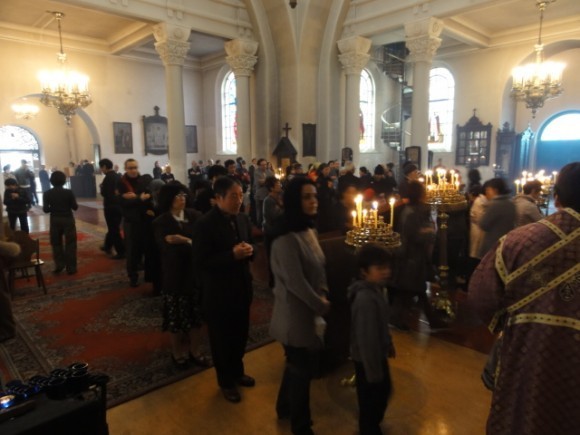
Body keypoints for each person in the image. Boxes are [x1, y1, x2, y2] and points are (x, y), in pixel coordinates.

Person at [468, 162, 580, 434]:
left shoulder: (520, 241)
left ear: (557, 198)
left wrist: (514, 319)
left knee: (525, 414)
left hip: (530, 355)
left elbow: (481, 296)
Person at [269, 177, 330, 435]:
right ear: (294, 201)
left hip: (309, 310)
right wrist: (320, 304)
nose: (313, 201)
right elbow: (296, 283)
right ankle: (301, 427)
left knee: (296, 365)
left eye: (314, 196)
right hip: (293, 315)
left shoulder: (308, 230)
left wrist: (323, 291)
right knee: (302, 371)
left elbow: (319, 267)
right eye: (306, 197)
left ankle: (284, 406)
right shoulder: (284, 239)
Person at [192, 177, 256, 403]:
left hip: (242, 288)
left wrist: (250, 250)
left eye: (241, 195)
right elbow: (201, 261)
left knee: (240, 335)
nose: (239, 200)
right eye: (233, 196)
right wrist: (231, 255)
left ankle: (237, 372)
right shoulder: (204, 224)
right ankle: (226, 382)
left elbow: (251, 245)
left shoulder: (242, 218)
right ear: (218, 198)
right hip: (218, 293)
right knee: (221, 340)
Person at [153, 183, 209, 369]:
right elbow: (167, 249)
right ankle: (177, 353)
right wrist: (190, 243)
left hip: (195, 274)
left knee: (196, 317)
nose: (182, 199)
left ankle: (195, 351)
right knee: (175, 318)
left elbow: (203, 244)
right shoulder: (161, 222)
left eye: (183, 195)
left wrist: (184, 240)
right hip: (175, 275)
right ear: (168, 199)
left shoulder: (196, 216)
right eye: (177, 196)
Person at [348, 243, 395, 435]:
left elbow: (381, 324)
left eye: (387, 267)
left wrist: (388, 342)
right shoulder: (365, 299)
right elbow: (366, 338)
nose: (386, 272)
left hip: (377, 355)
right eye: (379, 268)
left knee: (382, 393)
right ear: (364, 272)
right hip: (367, 360)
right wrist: (373, 372)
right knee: (371, 400)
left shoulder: (377, 290)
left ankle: (372, 425)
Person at [117, 159, 153, 287]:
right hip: (131, 221)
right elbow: (123, 203)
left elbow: (149, 197)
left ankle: (148, 275)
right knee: (132, 251)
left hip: (145, 220)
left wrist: (136, 199)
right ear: (125, 169)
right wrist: (139, 198)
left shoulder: (144, 181)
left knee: (146, 248)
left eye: (135, 167)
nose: (133, 170)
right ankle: (133, 276)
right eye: (130, 168)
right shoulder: (121, 183)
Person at [43, 171, 78, 274]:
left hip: (55, 220)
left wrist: (54, 207)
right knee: (70, 243)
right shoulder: (69, 192)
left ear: (51, 181)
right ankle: (71, 268)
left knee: (56, 243)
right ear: (64, 181)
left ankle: (59, 265)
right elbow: (75, 207)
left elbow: (46, 210)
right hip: (68, 219)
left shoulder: (47, 193)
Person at [477, 178, 516, 259]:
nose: (486, 193)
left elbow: (483, 224)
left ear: (495, 190)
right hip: (507, 241)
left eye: (488, 190)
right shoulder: (511, 203)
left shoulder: (495, 204)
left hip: (493, 242)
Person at [98, 159, 125, 259]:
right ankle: (107, 245)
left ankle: (121, 251)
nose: (101, 170)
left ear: (105, 167)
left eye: (101, 168)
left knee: (114, 229)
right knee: (113, 227)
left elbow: (106, 193)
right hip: (119, 205)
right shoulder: (117, 176)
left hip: (111, 207)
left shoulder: (108, 178)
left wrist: (101, 187)